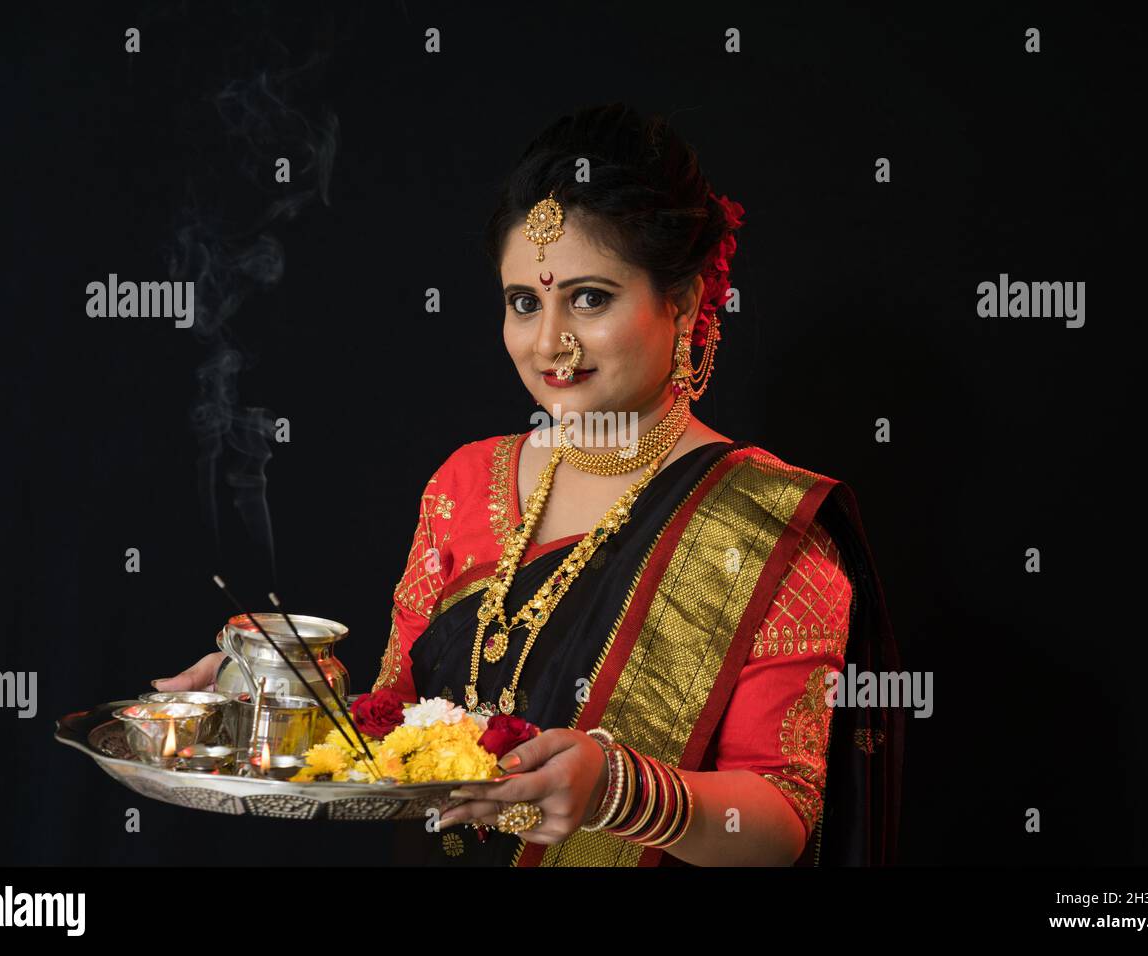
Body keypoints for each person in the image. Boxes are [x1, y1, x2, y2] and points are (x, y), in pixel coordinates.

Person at [154, 102, 903, 867]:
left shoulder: (763, 521)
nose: (550, 343)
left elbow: (782, 818)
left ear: (680, 303)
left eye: (589, 297)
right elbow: (398, 732)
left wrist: (616, 790)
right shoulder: (465, 480)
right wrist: (276, 697)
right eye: (524, 303)